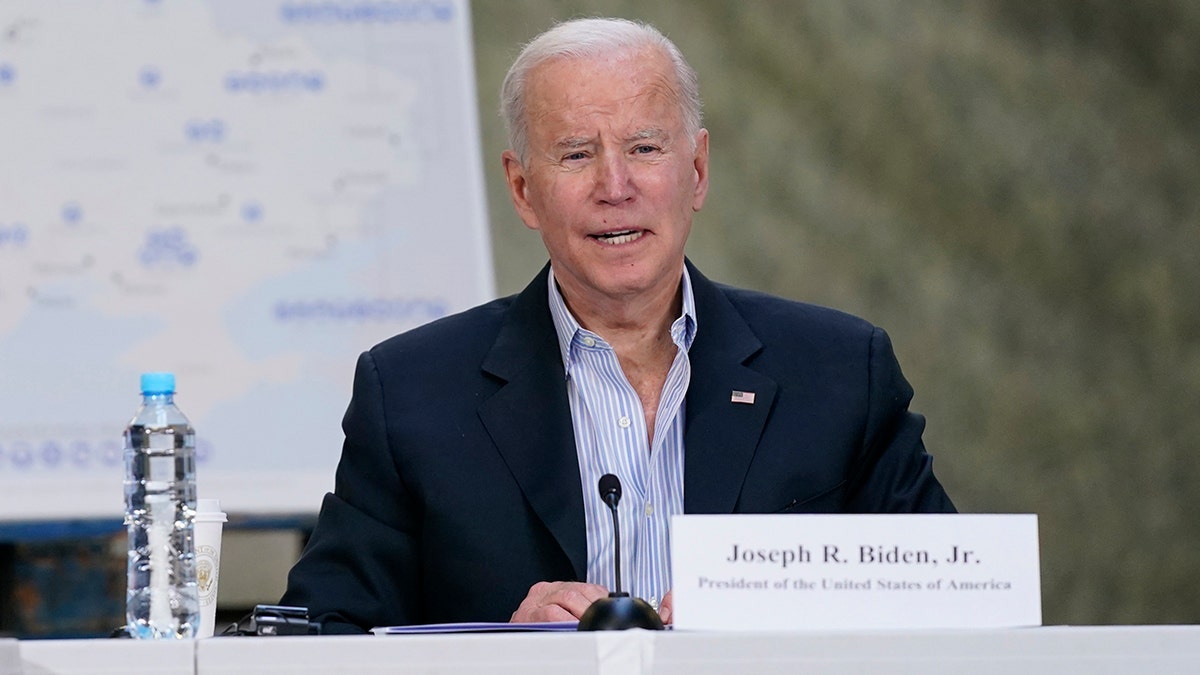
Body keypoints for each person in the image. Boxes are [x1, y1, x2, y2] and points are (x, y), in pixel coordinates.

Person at [281, 17, 954, 634]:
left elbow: (953, 606)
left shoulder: (839, 373)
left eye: (644, 147)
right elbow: (319, 637)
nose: (615, 184)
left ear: (696, 170)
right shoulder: (410, 393)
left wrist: (776, 615)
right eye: (576, 153)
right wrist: (499, 649)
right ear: (522, 189)